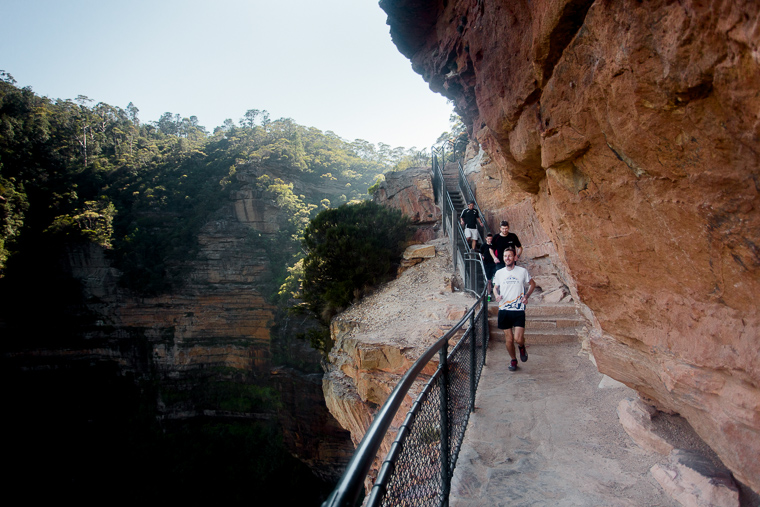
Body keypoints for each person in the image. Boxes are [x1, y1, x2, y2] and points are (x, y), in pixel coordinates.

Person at [493, 246, 536, 371]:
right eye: (505, 256)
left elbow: (532, 284)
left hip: (518, 309)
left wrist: (527, 296)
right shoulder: (499, 273)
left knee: (518, 338)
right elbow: (496, 287)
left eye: (510, 256)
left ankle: (522, 346)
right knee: (509, 339)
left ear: (514, 257)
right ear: (503, 258)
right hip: (504, 309)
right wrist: (496, 295)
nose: (507, 258)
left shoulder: (522, 271)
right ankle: (513, 359)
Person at [480, 233, 497, 299]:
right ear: (486, 239)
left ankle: (497, 294)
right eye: (489, 239)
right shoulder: (484, 245)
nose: (490, 240)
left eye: (491, 239)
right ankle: (489, 294)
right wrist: (482, 256)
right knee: (488, 280)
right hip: (487, 264)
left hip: (494, 264)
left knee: (496, 279)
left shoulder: (494, 245)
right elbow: (480, 253)